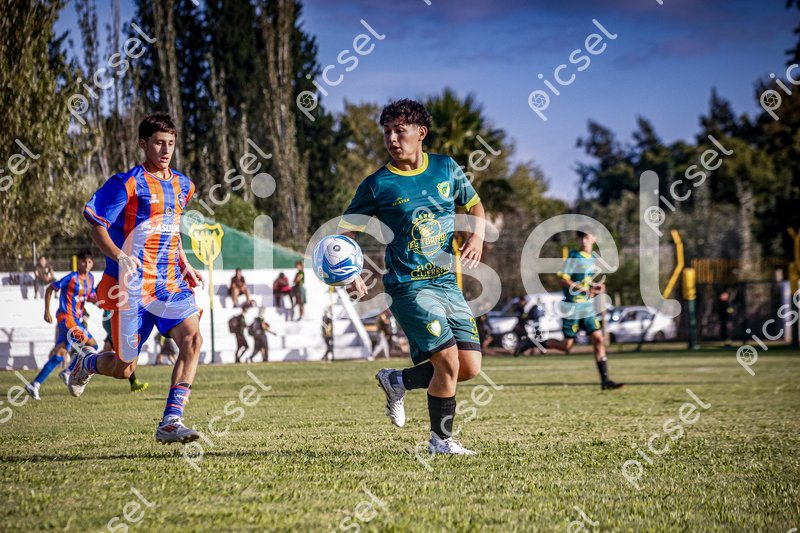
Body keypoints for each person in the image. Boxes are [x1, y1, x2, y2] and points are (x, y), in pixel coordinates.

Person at [339, 99, 486, 455]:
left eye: (399, 131)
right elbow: (346, 232)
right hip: (409, 287)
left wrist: (477, 236)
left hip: (446, 283)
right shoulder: (378, 184)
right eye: (387, 132)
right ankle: (441, 441)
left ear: (421, 133)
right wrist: (351, 270)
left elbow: (474, 205)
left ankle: (397, 380)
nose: (392, 139)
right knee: (447, 361)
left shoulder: (446, 168)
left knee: (468, 367)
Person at [74, 113, 205, 444]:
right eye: (159, 143)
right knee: (124, 369)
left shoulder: (184, 185)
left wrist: (184, 262)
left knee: (192, 340)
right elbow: (97, 226)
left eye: (171, 143)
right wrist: (120, 256)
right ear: (143, 144)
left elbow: (170, 229)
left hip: (170, 283)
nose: (166, 150)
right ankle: (87, 363)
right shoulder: (127, 183)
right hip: (132, 288)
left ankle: (171, 421)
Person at [541, 227, 624, 390]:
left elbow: (586, 282)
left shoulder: (592, 258)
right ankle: (532, 343)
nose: (583, 241)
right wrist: (584, 290)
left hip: (586, 307)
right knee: (566, 346)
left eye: (586, 237)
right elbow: (564, 280)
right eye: (581, 238)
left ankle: (605, 381)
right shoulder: (574, 256)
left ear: (594, 238)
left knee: (599, 339)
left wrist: (597, 287)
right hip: (572, 307)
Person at [25, 251, 98, 400]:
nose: (86, 264)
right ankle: (68, 372)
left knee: (59, 355)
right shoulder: (72, 277)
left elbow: (90, 296)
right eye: (83, 261)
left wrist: (101, 300)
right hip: (67, 318)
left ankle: (35, 385)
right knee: (92, 346)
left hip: (75, 320)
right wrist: (47, 311)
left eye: (89, 262)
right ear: (78, 262)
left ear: (92, 263)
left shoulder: (91, 278)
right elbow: (50, 288)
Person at [101, 309, 149, 392]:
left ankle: (134, 382)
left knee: (114, 352)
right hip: (113, 318)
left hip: (114, 319)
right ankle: (88, 364)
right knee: (125, 354)